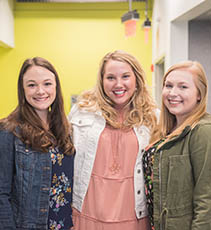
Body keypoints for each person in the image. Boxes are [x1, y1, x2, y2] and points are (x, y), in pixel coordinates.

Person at [142, 61, 211, 230]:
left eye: (183, 87)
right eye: (168, 85)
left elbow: (207, 204)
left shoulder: (206, 133)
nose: (173, 93)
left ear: (199, 94)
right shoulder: (166, 130)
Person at [69, 50, 159, 230]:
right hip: (88, 213)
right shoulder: (82, 111)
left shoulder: (153, 118)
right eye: (110, 78)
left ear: (136, 79)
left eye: (125, 76)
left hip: (135, 215)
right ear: (102, 81)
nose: (118, 84)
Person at [0, 57, 75, 230]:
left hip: (64, 225)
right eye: (32, 85)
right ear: (23, 89)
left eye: (47, 84)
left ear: (56, 87)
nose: (40, 91)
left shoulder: (64, 129)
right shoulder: (6, 132)